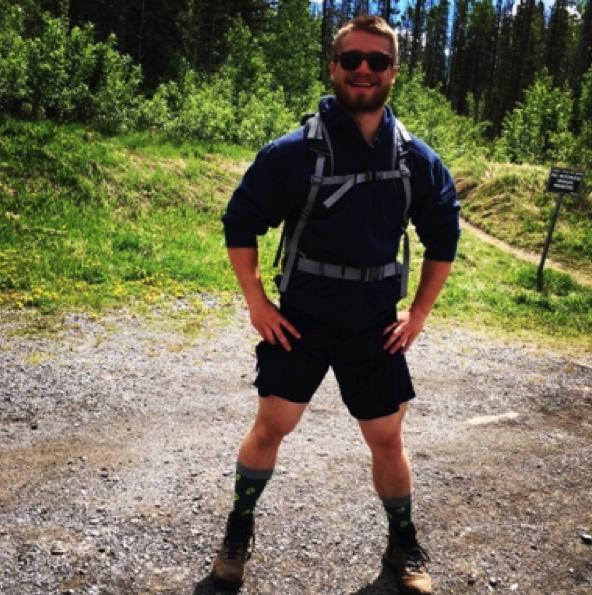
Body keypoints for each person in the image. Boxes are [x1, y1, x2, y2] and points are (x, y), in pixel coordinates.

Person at [212, 14, 460, 595]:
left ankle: (403, 543)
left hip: (374, 324)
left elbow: (443, 239)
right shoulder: (292, 153)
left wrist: (418, 314)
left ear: (395, 71)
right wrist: (256, 301)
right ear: (334, 68)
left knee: (387, 438)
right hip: (300, 319)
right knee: (274, 423)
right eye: (353, 60)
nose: (365, 71)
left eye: (378, 60)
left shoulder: (416, 160)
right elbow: (239, 221)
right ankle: (237, 528)